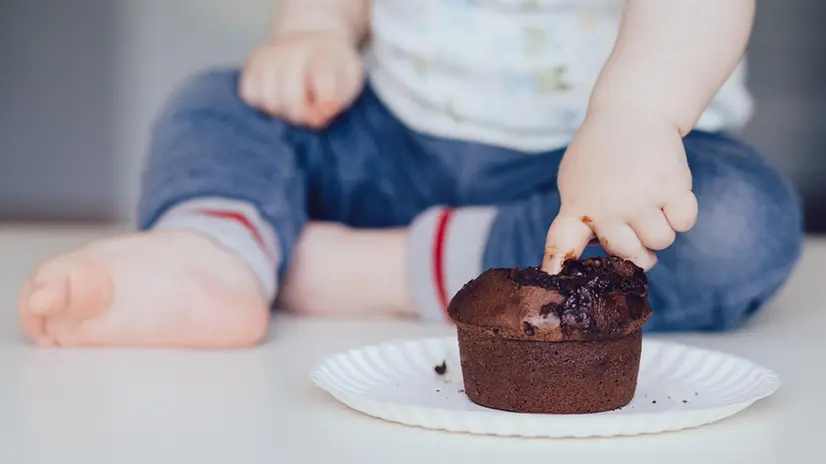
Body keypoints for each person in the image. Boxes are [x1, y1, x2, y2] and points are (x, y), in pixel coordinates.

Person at [17, 0, 802, 348]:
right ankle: (212, 253)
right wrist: (315, 29)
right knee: (220, 101)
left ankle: (337, 266)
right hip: (390, 142)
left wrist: (636, 115)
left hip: (585, 192)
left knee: (737, 223)